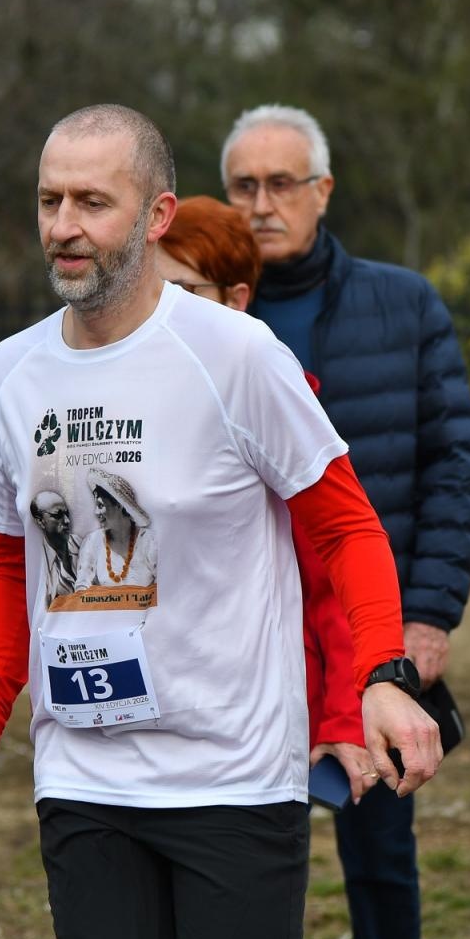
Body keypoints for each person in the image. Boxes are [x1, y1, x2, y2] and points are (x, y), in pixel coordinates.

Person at [0, 104, 441, 939]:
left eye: (92, 201)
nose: (63, 227)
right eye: (49, 200)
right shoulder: (8, 374)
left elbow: (348, 529)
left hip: (231, 778)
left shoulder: (237, 354)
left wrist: (381, 677)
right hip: (83, 774)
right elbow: (14, 557)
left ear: (157, 215)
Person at [221, 103, 470, 939]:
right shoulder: (199, 319)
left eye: (281, 183)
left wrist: (430, 615)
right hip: (247, 640)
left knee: (380, 855)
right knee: (249, 854)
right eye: (244, 186)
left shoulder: (403, 305)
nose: (262, 203)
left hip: (372, 638)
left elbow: (451, 466)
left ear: (323, 190)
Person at [155, 193, 372, 805]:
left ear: (237, 299)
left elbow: (331, 577)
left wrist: (340, 720)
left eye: (185, 291)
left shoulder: (276, 406)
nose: (161, 313)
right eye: (150, 290)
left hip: (254, 720)